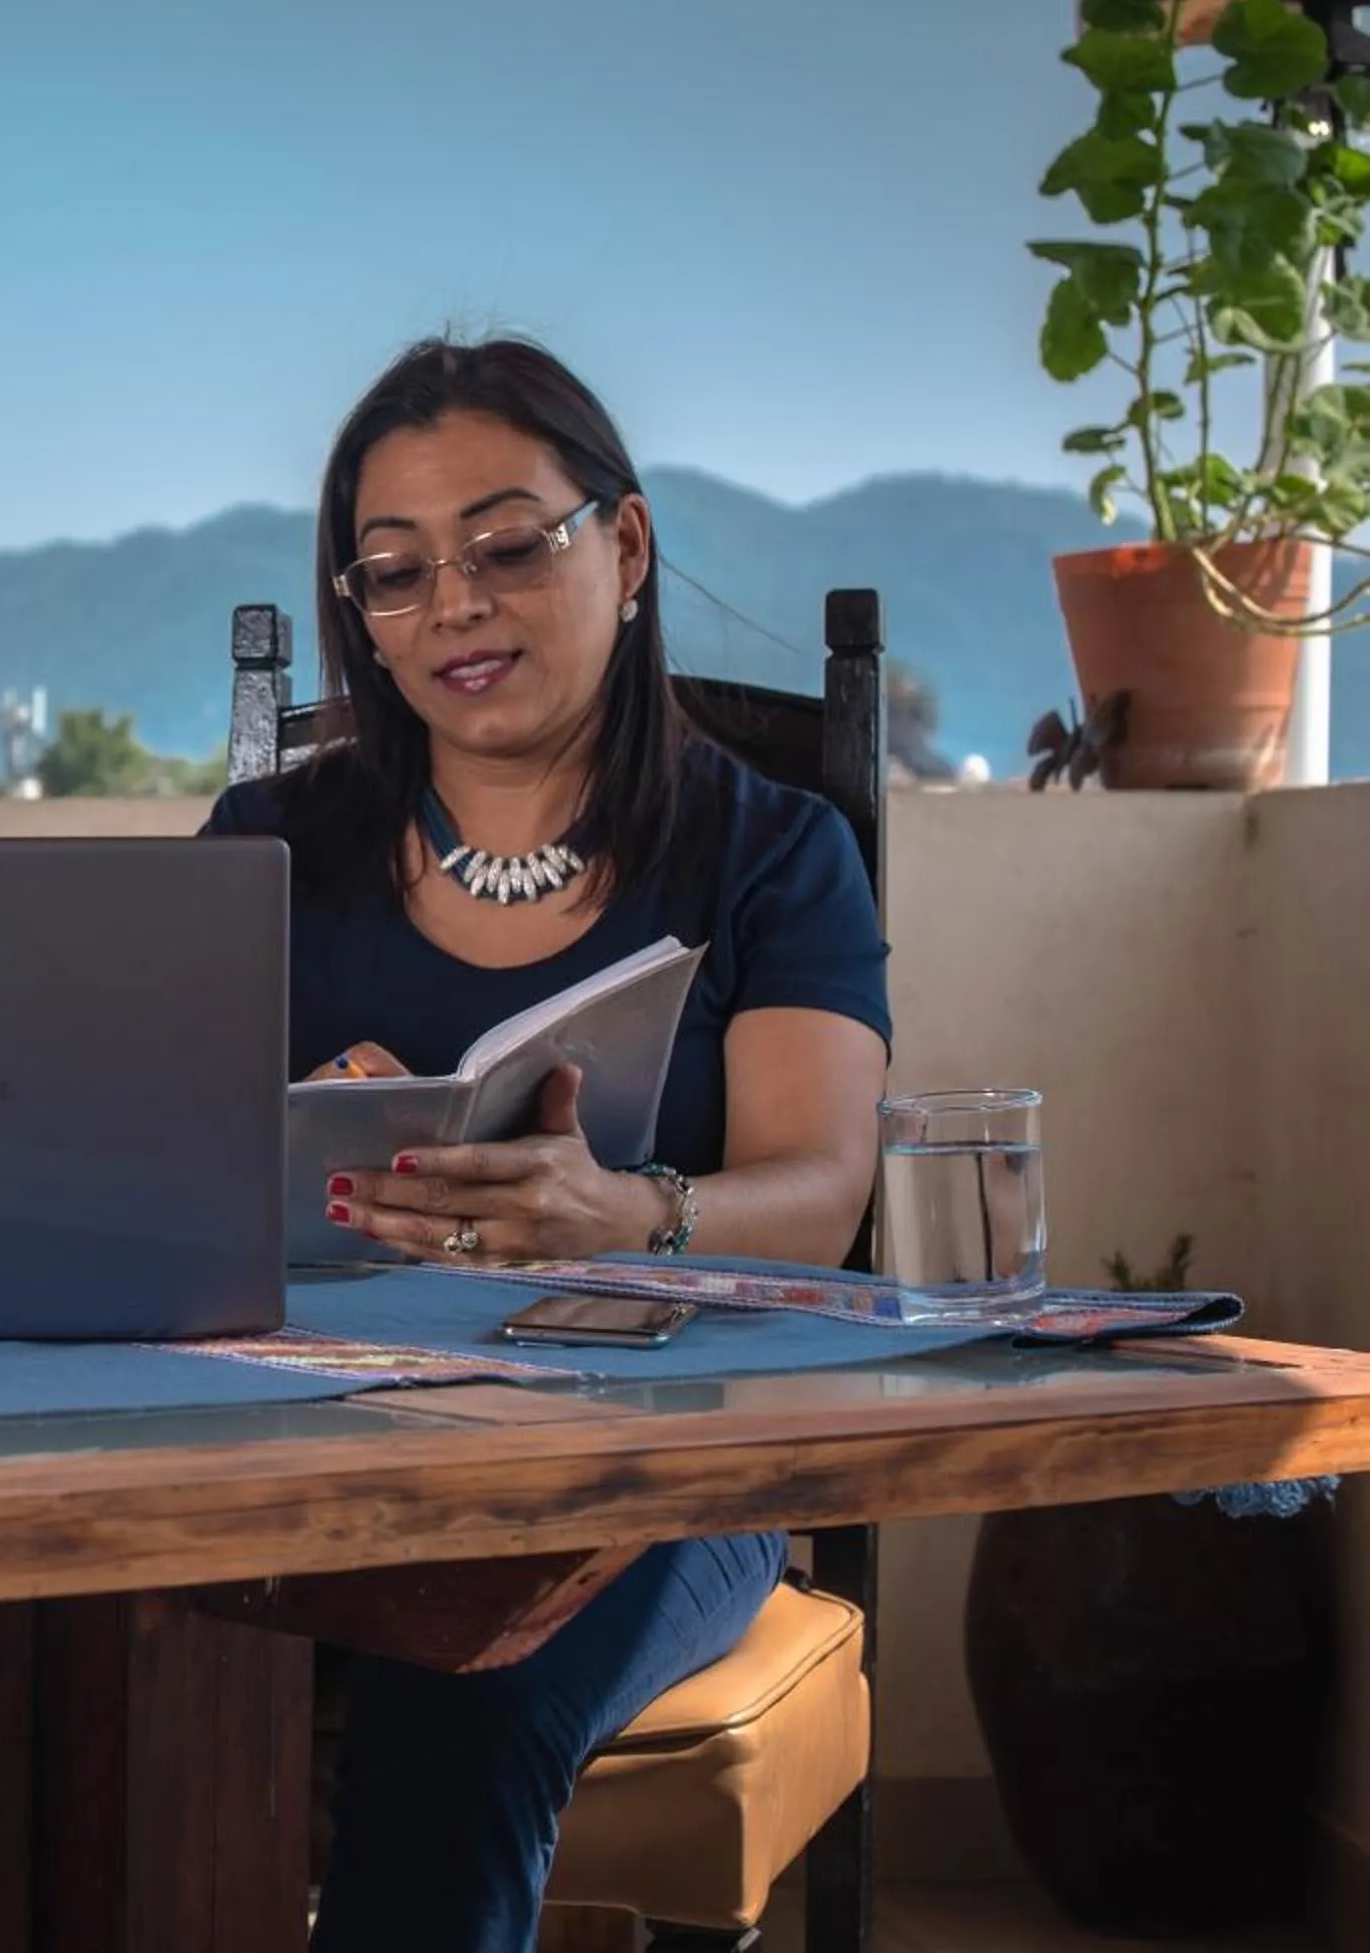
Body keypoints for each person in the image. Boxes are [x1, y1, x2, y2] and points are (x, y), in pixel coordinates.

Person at [203, 336, 889, 1953]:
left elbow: (822, 1187)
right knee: (74, 1658)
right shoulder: (270, 850)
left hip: (663, 1459)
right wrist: (301, 1133)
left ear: (627, 548)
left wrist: (628, 1207)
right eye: (392, 570)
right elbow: (138, 1162)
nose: (453, 603)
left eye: (510, 544)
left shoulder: (771, 851)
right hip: (284, 1450)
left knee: (470, 1695)